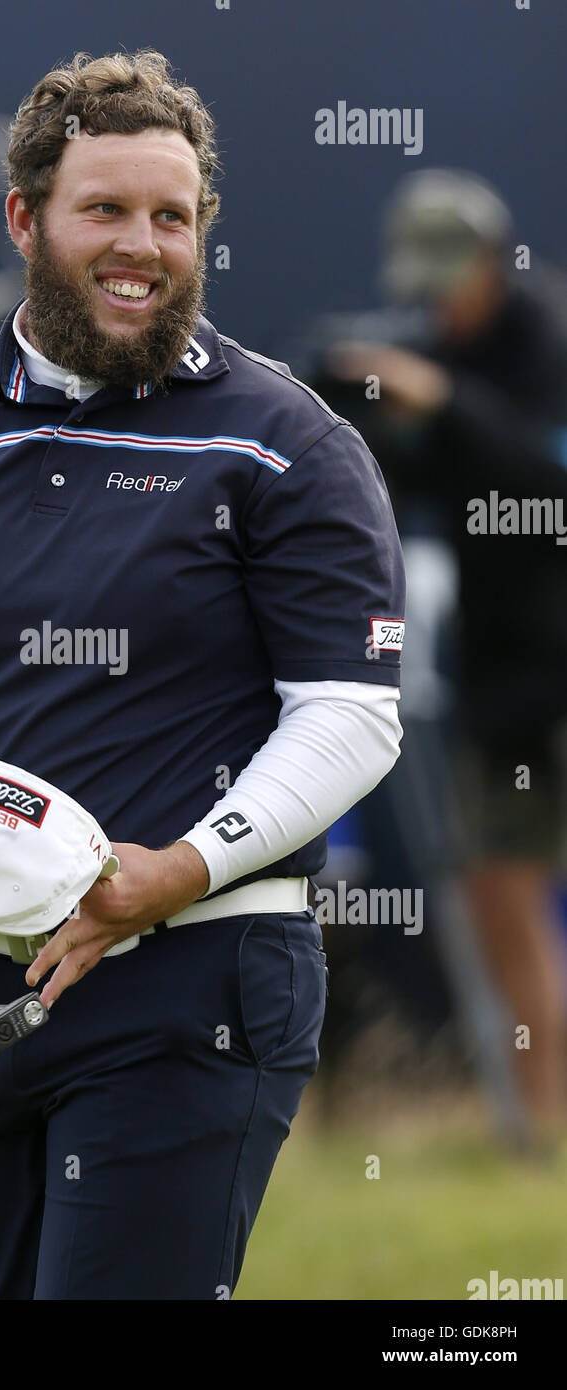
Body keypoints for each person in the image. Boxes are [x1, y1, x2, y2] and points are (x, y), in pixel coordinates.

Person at [0, 49, 405, 1299]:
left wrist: (172, 871)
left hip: (195, 977)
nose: (143, 246)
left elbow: (347, 713)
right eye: (105, 210)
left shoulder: (285, 442)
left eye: (171, 217)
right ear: (23, 219)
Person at [326, 169, 567, 1148]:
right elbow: (428, 480)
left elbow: (544, 477)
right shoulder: (439, 348)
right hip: (499, 678)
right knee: (499, 905)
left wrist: (440, 399)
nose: (434, 303)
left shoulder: (547, 337)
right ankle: (540, 1140)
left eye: (446, 279)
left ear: (487, 258)